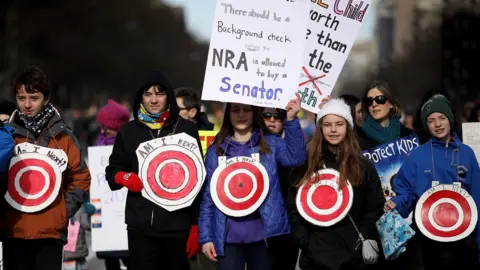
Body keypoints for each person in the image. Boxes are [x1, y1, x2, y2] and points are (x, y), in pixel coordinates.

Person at [105, 70, 203, 270]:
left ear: (168, 95)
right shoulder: (128, 131)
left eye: (160, 93)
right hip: (141, 227)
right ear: (140, 97)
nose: (154, 100)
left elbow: (198, 179)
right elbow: (112, 171)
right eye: (147, 94)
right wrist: (124, 176)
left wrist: (195, 226)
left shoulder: (187, 129)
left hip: (177, 226)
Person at [198, 95, 307, 270]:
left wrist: (291, 119)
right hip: (228, 237)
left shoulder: (270, 143)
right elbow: (208, 198)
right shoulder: (216, 150)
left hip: (264, 236)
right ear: (228, 114)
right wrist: (206, 238)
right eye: (235, 110)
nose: (241, 114)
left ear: (255, 112)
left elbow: (296, 158)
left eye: (247, 109)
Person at [1, 66, 91, 269]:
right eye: (21, 98)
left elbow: (80, 176)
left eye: (34, 98)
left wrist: (62, 211)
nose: (27, 104)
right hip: (14, 230)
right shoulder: (7, 135)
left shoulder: (63, 136)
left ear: (46, 98)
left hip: (50, 232)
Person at [287, 98, 384, 270]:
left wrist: (362, 236)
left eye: (339, 124)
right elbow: (294, 206)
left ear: (348, 127)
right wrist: (306, 242)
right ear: (320, 128)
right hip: (315, 258)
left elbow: (374, 207)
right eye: (327, 124)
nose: (333, 130)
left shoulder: (362, 165)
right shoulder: (307, 165)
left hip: (353, 258)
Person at [386, 94, 480, 270]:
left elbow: (478, 198)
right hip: (426, 242)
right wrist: (396, 203)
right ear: (426, 125)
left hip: (462, 240)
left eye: (442, 118)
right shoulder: (416, 156)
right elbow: (405, 192)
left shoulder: (466, 153)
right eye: (431, 120)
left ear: (450, 119)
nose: (438, 124)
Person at [261, 107, 299, 270]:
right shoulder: (250, 143)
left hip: (288, 221)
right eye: (266, 116)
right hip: (260, 223)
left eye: (277, 117)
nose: (271, 120)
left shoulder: (293, 142)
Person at [95, 99, 132, 269]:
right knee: (110, 260)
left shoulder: (129, 145)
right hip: (106, 218)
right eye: (102, 126)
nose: (103, 131)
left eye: (107, 127)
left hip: (126, 214)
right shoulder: (98, 144)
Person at [359, 81, 412, 150]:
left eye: (380, 99)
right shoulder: (359, 142)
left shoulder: (409, 136)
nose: (374, 104)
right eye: (369, 101)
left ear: (391, 104)